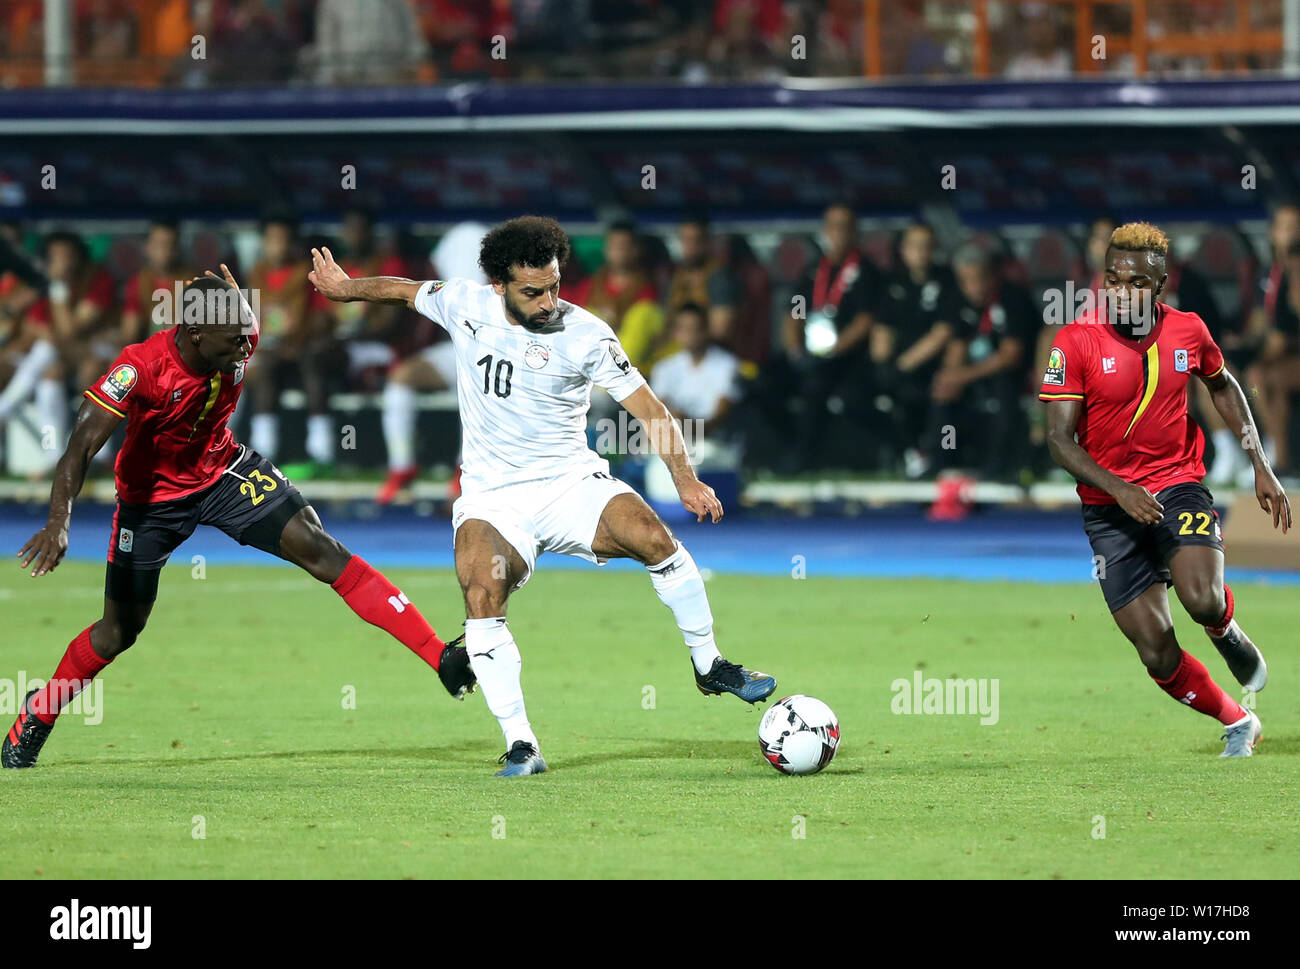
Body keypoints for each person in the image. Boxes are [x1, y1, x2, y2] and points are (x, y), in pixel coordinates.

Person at [308, 215, 777, 777]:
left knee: (656, 538)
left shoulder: (588, 333)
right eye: (533, 291)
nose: (549, 300)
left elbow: (650, 410)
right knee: (482, 590)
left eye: (555, 285)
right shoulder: (462, 303)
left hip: (569, 483)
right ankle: (522, 744)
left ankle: (711, 665)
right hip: (493, 496)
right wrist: (344, 287)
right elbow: (401, 291)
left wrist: (684, 479)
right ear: (498, 286)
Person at [3, 268, 472, 770]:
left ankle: (439, 656)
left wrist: (239, 308)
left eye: (248, 335)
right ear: (195, 335)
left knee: (323, 551)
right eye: (234, 341)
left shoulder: (233, 337)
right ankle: (40, 711)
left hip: (225, 471)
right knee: (119, 633)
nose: (246, 351)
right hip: (150, 502)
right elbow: (78, 449)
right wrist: (59, 520)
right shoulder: (139, 368)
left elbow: (242, 326)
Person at [1041, 222, 1290, 758]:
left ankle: (1226, 632)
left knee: (1201, 599)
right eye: (1111, 277)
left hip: (1178, 484)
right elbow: (1060, 443)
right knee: (1156, 651)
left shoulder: (1187, 330)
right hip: (1110, 510)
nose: (1120, 289)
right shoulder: (1076, 340)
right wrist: (1120, 489)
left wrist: (1259, 462)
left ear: (1159, 287)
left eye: (1133, 282)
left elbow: (1223, 384)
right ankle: (1238, 720)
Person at [929, 243, 1036, 479]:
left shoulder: (1013, 298)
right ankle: (943, 457)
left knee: (1003, 389)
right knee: (944, 391)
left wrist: (963, 375)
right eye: (965, 281)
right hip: (978, 372)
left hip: (1017, 373)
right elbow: (957, 346)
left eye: (977, 279)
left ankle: (997, 465)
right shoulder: (960, 301)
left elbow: (1011, 355)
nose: (973, 288)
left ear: (991, 276)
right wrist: (951, 376)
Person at [870, 222, 961, 476]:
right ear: (903, 250)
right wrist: (882, 366)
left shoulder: (947, 281)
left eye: (926, 246)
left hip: (935, 365)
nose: (920, 252)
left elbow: (943, 333)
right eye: (914, 246)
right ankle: (907, 454)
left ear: (934, 249)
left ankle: (935, 459)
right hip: (901, 367)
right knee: (874, 394)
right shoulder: (892, 283)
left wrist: (901, 366)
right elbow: (882, 328)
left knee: (938, 393)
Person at [650, 302, 740, 436]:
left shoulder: (728, 365)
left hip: (714, 443)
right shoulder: (663, 368)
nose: (689, 335)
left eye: (694, 328)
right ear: (676, 333)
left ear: (706, 330)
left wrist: (690, 426)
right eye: (683, 329)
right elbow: (657, 413)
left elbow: (720, 418)